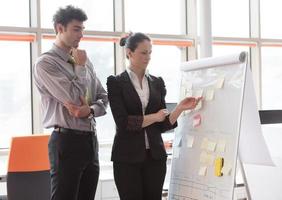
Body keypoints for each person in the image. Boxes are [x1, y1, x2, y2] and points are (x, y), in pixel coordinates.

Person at [106, 32, 201, 200]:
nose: (148, 57)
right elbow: (123, 123)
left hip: (155, 157)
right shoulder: (115, 82)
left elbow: (162, 124)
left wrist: (180, 108)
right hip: (127, 157)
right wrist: (154, 117)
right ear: (129, 52)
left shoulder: (157, 82)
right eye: (143, 52)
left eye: (150, 52)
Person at [33, 5, 108, 200]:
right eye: (76, 29)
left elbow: (103, 97)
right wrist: (80, 68)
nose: (81, 34)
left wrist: (90, 110)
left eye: (82, 29)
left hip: (90, 140)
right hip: (66, 142)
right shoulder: (46, 63)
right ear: (60, 28)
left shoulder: (83, 58)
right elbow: (73, 98)